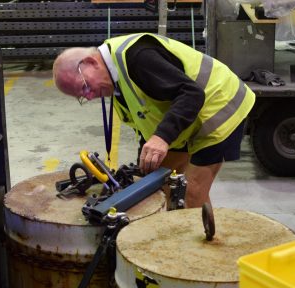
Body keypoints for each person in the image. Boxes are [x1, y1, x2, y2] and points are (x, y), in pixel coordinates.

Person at [52, 32, 255, 209]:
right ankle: (179, 233)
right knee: (158, 182)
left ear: (90, 63)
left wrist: (161, 138)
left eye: (85, 86)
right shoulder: (116, 82)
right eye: (81, 97)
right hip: (189, 118)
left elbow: (192, 94)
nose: (88, 96)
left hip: (220, 108)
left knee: (190, 193)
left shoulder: (137, 58)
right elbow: (146, 119)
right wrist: (147, 158)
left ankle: (202, 250)